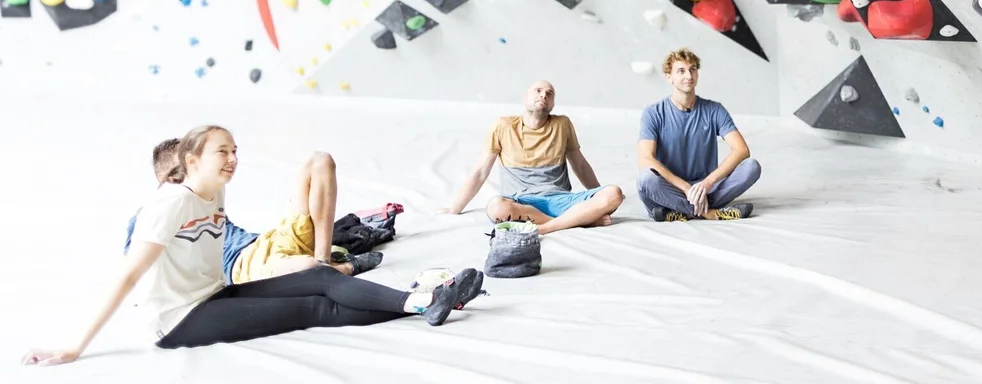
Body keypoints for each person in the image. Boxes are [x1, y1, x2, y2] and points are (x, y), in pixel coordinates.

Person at [22, 125, 481, 364]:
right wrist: (73, 347)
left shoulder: (214, 193)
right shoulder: (165, 206)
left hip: (213, 293)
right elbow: (127, 276)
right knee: (314, 308)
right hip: (177, 322)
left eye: (235, 150)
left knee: (318, 276)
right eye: (223, 151)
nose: (234, 159)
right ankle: (425, 302)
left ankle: (424, 302)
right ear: (191, 160)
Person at [127, 140, 382, 283]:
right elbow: (138, 269)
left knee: (320, 159)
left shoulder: (207, 195)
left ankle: (324, 263)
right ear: (164, 177)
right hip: (242, 266)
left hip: (266, 240)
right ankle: (341, 269)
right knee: (301, 267)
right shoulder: (149, 214)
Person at [440, 79, 625, 234]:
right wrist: (454, 209)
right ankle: (577, 221)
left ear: (553, 103)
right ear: (525, 98)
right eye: (538, 90)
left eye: (549, 93)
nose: (543, 95)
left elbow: (581, 166)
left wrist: (598, 197)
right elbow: (480, 172)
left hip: (561, 200)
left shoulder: (562, 124)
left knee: (613, 194)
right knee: (496, 207)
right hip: (521, 203)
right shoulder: (503, 126)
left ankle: (546, 226)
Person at [636, 49, 759, 221]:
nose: (689, 75)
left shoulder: (714, 110)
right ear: (668, 76)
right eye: (681, 71)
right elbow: (645, 159)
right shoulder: (653, 113)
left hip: (706, 188)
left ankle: (677, 211)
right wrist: (686, 188)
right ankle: (709, 213)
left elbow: (742, 150)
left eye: (692, 69)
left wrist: (706, 183)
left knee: (752, 167)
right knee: (646, 179)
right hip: (671, 187)